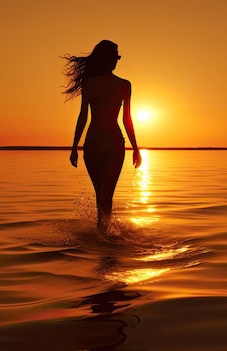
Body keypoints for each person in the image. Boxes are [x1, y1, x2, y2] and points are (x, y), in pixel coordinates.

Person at [62, 40, 141, 231]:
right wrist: (73, 148)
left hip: (100, 143)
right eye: (115, 57)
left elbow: (126, 119)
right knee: (104, 194)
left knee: (103, 194)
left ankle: (102, 234)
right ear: (108, 60)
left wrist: (136, 149)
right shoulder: (121, 85)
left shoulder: (99, 84)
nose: (116, 61)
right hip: (105, 143)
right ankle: (103, 234)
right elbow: (84, 116)